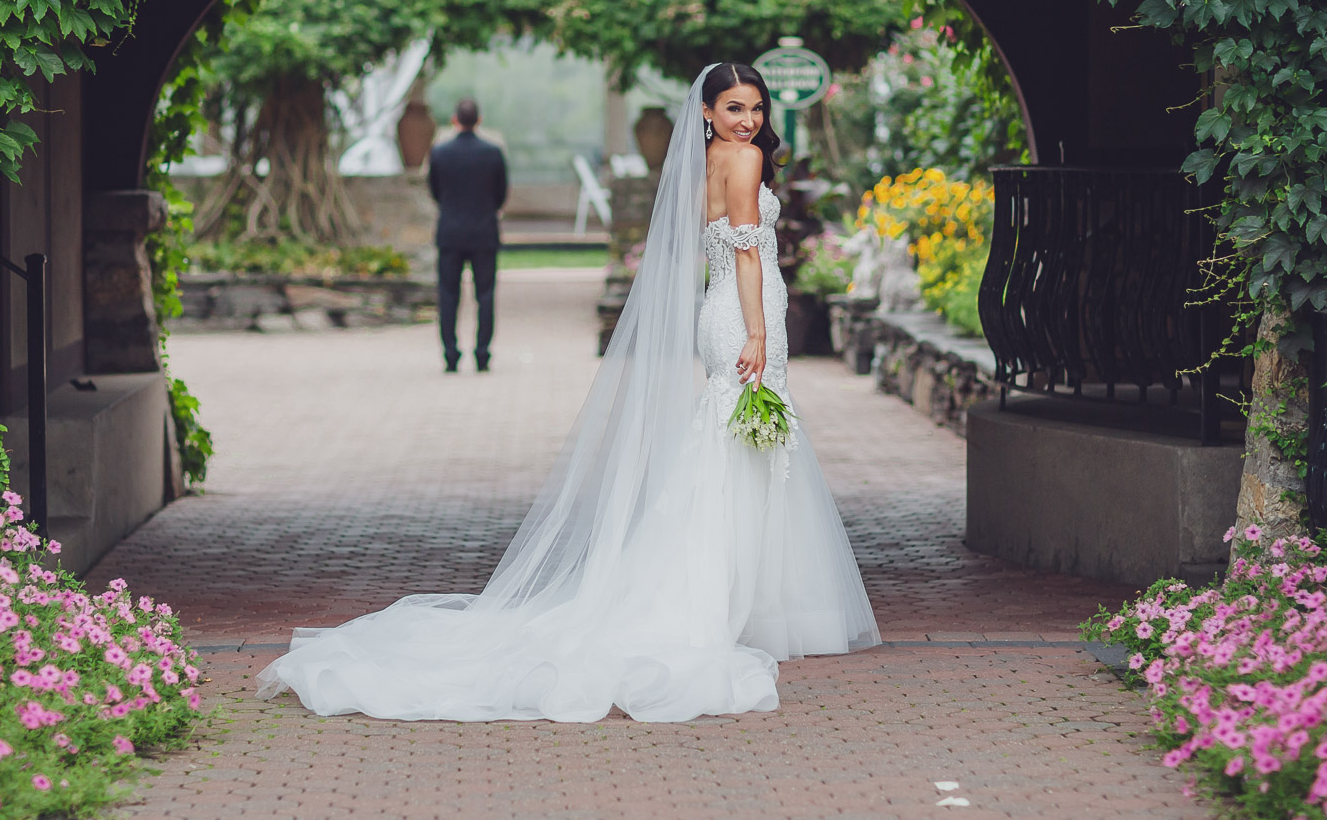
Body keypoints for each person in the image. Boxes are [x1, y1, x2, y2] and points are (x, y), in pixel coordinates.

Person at [257, 63, 877, 722]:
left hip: (721, 310)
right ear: (705, 111)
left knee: (734, 442)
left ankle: (742, 596)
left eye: (755, 107)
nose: (748, 120)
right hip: (745, 313)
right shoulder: (745, 161)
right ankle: (728, 600)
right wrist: (756, 329)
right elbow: (751, 253)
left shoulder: (704, 164)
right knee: (741, 443)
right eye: (733, 107)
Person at [426, 98, 508, 373]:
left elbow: (435, 192)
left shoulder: (439, 153)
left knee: (448, 295)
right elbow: (500, 195)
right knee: (485, 295)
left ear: (454, 120)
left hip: (450, 233)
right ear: (479, 120)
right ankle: (482, 354)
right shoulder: (493, 153)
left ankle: (450, 354)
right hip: (484, 232)